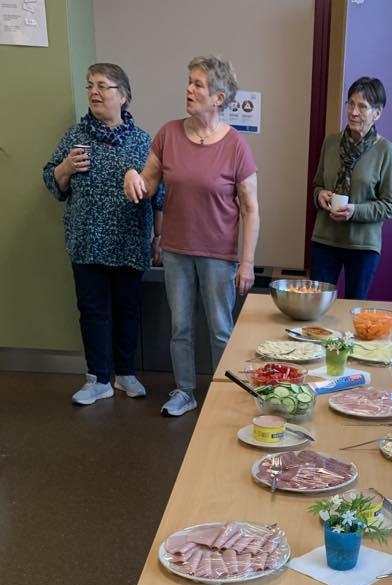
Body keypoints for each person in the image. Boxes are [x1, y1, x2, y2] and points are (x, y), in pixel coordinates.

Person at [124, 56, 259, 417]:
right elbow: (148, 185)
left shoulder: (236, 146)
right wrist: (132, 178)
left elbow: (250, 209)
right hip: (176, 250)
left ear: (218, 97)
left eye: (198, 84)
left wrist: (246, 263)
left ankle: (224, 397)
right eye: (189, 81)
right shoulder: (168, 134)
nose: (189, 89)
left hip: (218, 254)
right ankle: (184, 391)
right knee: (180, 327)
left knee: (220, 330)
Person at [43, 63, 163, 407]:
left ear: (123, 96)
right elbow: (52, 182)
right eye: (90, 86)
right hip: (87, 241)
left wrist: (158, 237)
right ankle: (97, 379)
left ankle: (125, 373)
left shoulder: (143, 141)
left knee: (128, 309)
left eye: (103, 86)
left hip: (129, 241)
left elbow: (160, 194)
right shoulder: (75, 136)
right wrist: (65, 168)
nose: (94, 92)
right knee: (93, 311)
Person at [310, 77, 392, 299]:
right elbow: (317, 185)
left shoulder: (385, 150)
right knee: (317, 305)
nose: (353, 112)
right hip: (325, 239)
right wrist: (319, 195)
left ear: (377, 113)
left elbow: (391, 205)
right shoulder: (331, 142)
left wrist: (355, 211)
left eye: (362, 106)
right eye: (350, 104)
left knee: (354, 309)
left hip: (363, 246)